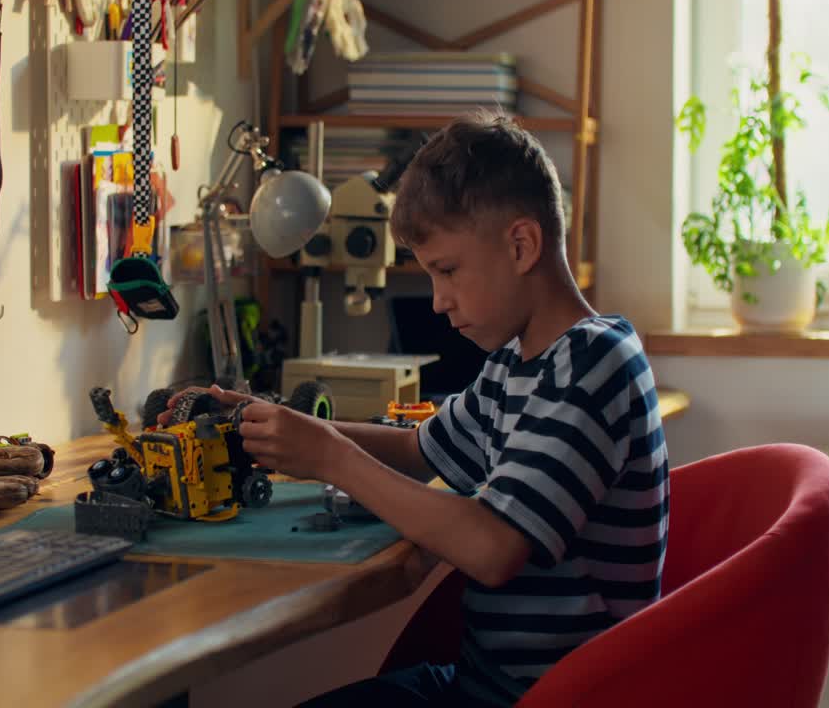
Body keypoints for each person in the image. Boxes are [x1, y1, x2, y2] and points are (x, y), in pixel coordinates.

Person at [157, 109, 669, 707]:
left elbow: (493, 547)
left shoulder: (591, 363)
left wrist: (331, 459)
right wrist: (274, 422)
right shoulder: (516, 361)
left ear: (522, 244)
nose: (438, 301)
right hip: (485, 685)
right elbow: (415, 448)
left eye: (447, 271)